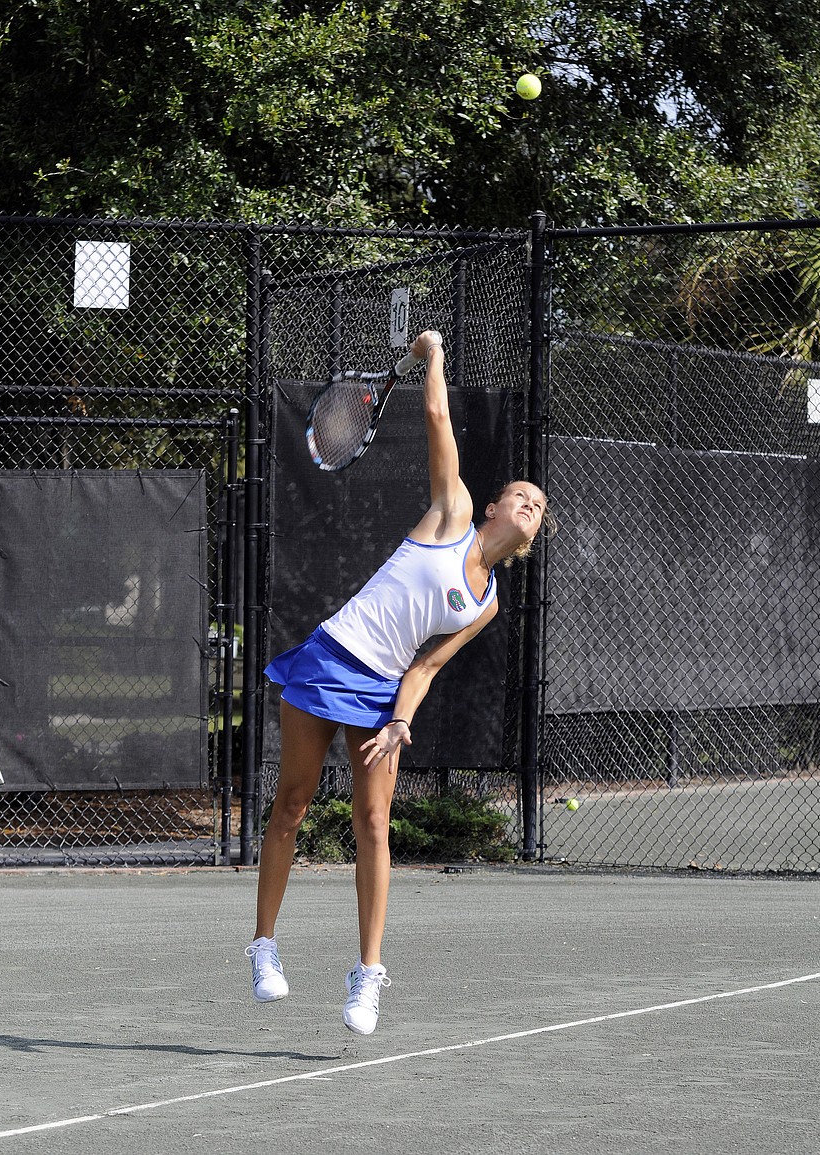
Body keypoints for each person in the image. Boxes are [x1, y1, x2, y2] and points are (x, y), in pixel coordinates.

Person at [246, 330, 554, 1035]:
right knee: (292, 801)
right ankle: (263, 945)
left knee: (374, 823)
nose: (527, 501)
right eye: (518, 494)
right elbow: (439, 420)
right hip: (332, 654)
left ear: (531, 535)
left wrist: (401, 719)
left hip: (381, 690)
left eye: (536, 503)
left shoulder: (485, 604)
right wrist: (435, 355)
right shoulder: (451, 513)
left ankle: (367, 975)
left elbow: (425, 666)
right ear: (491, 507)